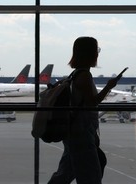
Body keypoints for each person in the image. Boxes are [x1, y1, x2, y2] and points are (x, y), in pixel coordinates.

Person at [48, 36, 120, 184]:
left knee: (64, 173)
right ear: (90, 53)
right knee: (90, 176)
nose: (98, 53)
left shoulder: (74, 74)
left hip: (73, 132)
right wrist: (109, 87)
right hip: (81, 133)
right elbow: (92, 103)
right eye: (97, 50)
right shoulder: (84, 76)